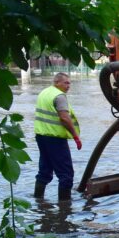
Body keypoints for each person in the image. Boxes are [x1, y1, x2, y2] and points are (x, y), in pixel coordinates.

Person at [33, 72, 82, 201]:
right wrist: (76, 136)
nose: (68, 86)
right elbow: (64, 118)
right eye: (66, 83)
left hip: (41, 136)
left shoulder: (44, 92)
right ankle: (65, 208)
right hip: (55, 138)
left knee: (44, 171)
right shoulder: (59, 96)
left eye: (69, 83)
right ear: (57, 83)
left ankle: (38, 201)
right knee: (66, 175)